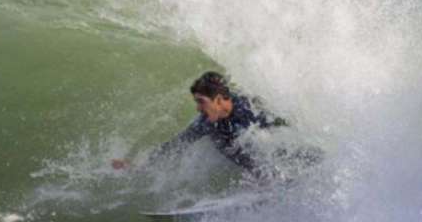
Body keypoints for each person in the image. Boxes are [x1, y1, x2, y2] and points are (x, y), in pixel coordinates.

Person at [112, 71, 321, 175]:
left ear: (219, 100)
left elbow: (287, 133)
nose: (198, 108)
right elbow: (176, 145)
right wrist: (137, 165)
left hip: (283, 158)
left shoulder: (251, 110)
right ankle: (262, 179)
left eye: (201, 102)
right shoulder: (207, 123)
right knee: (225, 140)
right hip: (251, 164)